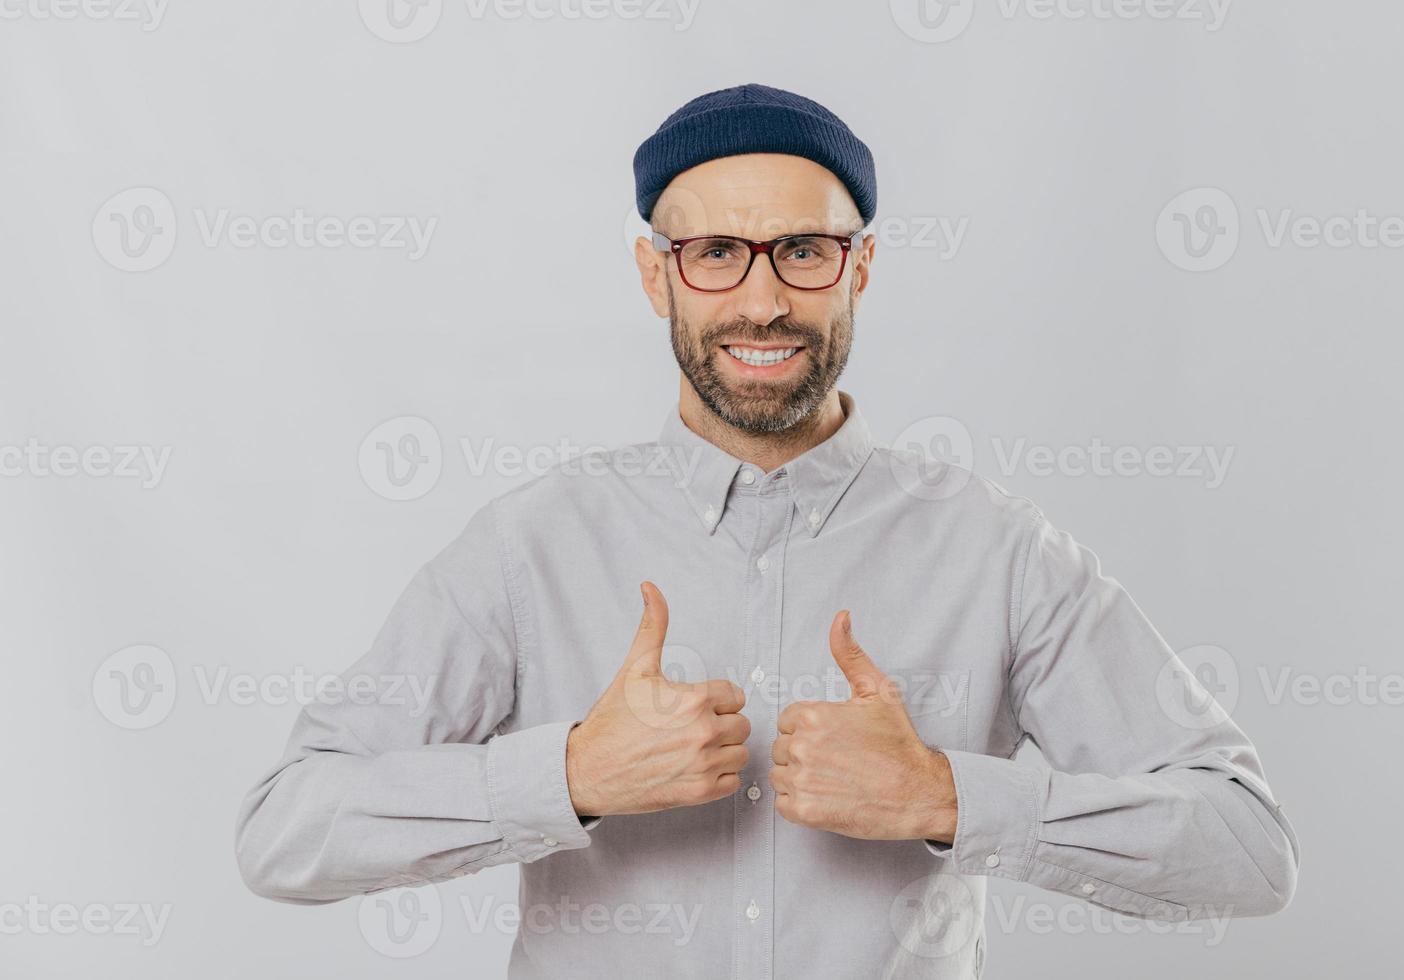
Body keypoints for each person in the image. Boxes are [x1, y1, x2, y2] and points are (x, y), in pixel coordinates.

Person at [235, 82, 1299, 979]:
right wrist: (563, 777)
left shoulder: (1000, 553)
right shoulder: (532, 545)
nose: (762, 300)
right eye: (714, 253)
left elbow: (1248, 848)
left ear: (860, 268)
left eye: (802, 250)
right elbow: (287, 830)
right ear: (656, 274)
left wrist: (948, 794)